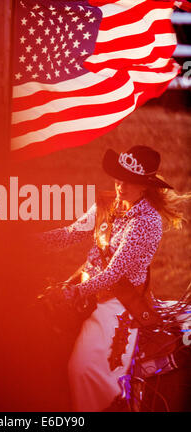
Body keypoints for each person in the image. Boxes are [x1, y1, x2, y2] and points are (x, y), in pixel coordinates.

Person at [36, 145, 191, 412]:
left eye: (131, 181)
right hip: (83, 287)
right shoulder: (107, 205)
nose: (122, 185)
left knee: (82, 369)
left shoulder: (147, 222)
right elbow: (70, 233)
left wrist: (72, 293)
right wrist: (26, 243)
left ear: (145, 186)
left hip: (116, 303)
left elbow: (112, 275)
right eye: (119, 177)